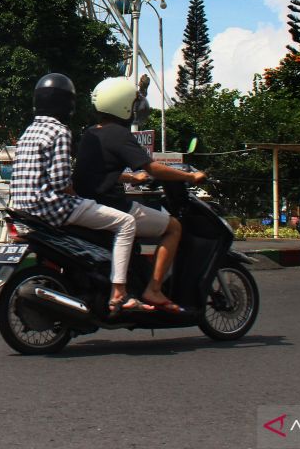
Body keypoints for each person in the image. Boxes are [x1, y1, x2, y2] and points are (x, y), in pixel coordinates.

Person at [7, 72, 150, 315]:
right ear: (67, 103)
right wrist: (81, 198)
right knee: (126, 223)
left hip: (23, 209)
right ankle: (119, 292)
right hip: (51, 207)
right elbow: (61, 181)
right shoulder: (60, 131)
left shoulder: (28, 131)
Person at [74, 76, 207, 313]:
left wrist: (130, 178)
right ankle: (153, 289)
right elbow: (152, 167)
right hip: (111, 205)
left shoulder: (91, 133)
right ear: (124, 105)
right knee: (173, 227)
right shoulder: (120, 134)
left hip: (88, 204)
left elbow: (97, 172)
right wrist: (189, 177)